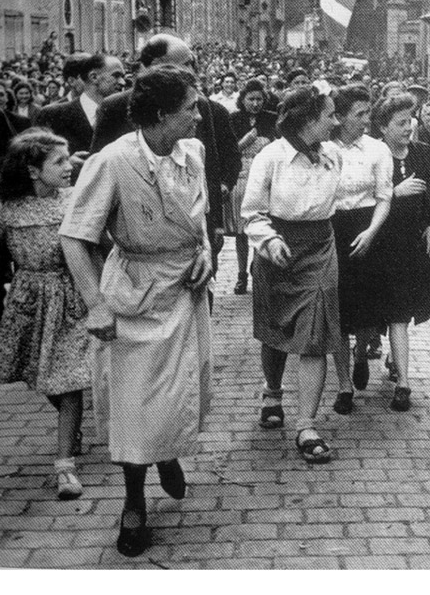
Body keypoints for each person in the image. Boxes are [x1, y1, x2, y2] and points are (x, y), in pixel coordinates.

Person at [60, 65, 214, 557]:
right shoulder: (111, 161)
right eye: (190, 107)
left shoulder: (193, 152)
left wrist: (207, 251)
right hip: (136, 293)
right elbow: (74, 237)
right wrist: (95, 304)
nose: (198, 114)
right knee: (135, 405)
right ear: (162, 114)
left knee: (184, 387)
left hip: (186, 290)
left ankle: (166, 453)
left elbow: (200, 217)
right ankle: (133, 503)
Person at [0, 129, 90, 499]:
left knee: (69, 382)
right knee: (45, 378)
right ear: (33, 170)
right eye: (59, 161)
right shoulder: (6, 207)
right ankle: (71, 428)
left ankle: (65, 467)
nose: (69, 167)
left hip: (71, 295)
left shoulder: (75, 198)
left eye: (67, 159)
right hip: (29, 300)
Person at [241, 84, 341, 464]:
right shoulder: (271, 157)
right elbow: (251, 211)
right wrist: (268, 241)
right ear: (308, 120)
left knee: (316, 333)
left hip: (320, 248)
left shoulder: (332, 155)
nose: (335, 122)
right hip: (278, 247)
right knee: (276, 329)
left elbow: (349, 196)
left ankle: (306, 425)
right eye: (330, 115)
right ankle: (272, 391)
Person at [91, 35, 240, 282]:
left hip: (190, 242)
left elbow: (209, 171)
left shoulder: (199, 105)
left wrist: (214, 226)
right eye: (186, 63)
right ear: (157, 65)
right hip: (136, 249)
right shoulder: (114, 107)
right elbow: (99, 180)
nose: (193, 70)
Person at [372, 94, 430, 412]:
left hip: (413, 248)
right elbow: (358, 199)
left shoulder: (426, 154)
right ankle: (366, 354)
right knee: (379, 314)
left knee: (400, 314)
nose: (408, 127)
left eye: (410, 121)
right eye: (400, 123)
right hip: (379, 246)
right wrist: (393, 193)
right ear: (383, 127)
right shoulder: (373, 156)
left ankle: (403, 382)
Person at [330, 85, 393, 413]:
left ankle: (361, 353)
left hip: (368, 227)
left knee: (367, 306)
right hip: (332, 230)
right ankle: (344, 384)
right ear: (340, 117)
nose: (367, 119)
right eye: (360, 114)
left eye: (369, 112)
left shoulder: (377, 150)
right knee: (338, 309)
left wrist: (371, 232)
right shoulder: (324, 149)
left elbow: (385, 196)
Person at [35, 52, 126, 180]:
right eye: (116, 76)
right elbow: (34, 162)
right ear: (94, 77)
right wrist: (65, 164)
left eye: (123, 77)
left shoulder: (127, 115)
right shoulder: (52, 115)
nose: (122, 82)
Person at [230, 80, 280, 295]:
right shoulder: (234, 119)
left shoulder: (271, 119)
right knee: (242, 230)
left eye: (259, 99)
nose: (255, 103)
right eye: (251, 99)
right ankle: (241, 274)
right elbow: (229, 150)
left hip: (265, 177)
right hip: (241, 176)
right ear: (243, 100)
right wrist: (246, 140)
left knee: (263, 224)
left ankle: (258, 270)